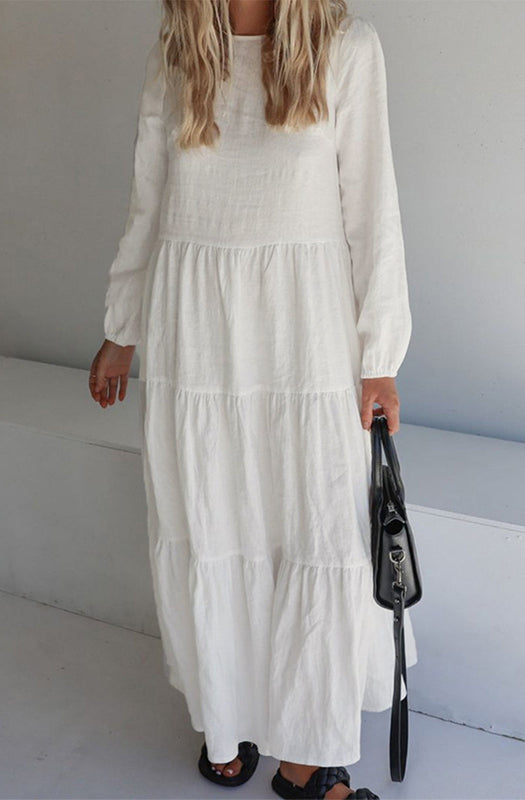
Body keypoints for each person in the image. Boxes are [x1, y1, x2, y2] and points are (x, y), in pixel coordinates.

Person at [88, 0, 418, 797]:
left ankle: (305, 754)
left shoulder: (346, 47)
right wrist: (121, 327)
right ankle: (226, 714)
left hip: (305, 336)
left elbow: (372, 210)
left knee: (312, 529)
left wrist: (379, 357)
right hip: (195, 334)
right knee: (211, 521)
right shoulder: (179, 50)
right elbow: (147, 198)